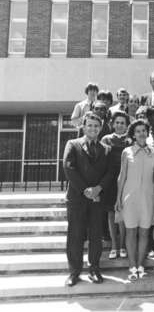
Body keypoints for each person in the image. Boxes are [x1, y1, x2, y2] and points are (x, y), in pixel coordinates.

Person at [63, 112, 113, 287]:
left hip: (97, 199)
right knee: (75, 235)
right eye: (90, 125)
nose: (93, 128)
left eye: (96, 126)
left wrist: (98, 189)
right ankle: (74, 272)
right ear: (84, 126)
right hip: (77, 198)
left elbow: (110, 173)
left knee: (95, 235)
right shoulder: (73, 144)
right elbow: (69, 167)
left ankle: (94, 269)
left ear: (100, 128)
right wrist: (85, 190)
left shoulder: (106, 149)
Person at [115, 120, 154, 280]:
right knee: (131, 232)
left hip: (147, 198)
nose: (141, 133)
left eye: (144, 131)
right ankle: (132, 265)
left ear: (147, 133)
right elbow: (122, 176)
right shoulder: (127, 152)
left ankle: (141, 265)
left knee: (144, 232)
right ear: (133, 134)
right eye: (138, 131)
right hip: (129, 197)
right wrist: (118, 198)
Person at [101, 112, 132, 260]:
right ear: (113, 124)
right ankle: (114, 245)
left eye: (123, 123)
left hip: (126, 180)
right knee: (111, 213)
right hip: (110, 180)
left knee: (123, 213)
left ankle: (123, 245)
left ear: (127, 125)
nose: (120, 125)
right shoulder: (106, 139)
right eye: (117, 122)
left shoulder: (130, 141)